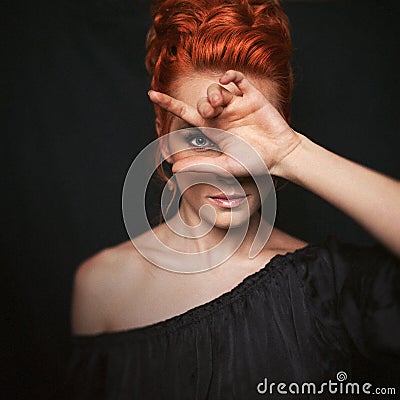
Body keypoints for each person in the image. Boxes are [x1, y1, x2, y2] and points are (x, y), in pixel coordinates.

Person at [63, 0, 400, 398]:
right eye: (200, 138)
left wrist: (291, 153)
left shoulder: (329, 285)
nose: (229, 169)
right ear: (162, 134)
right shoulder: (100, 286)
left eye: (250, 142)